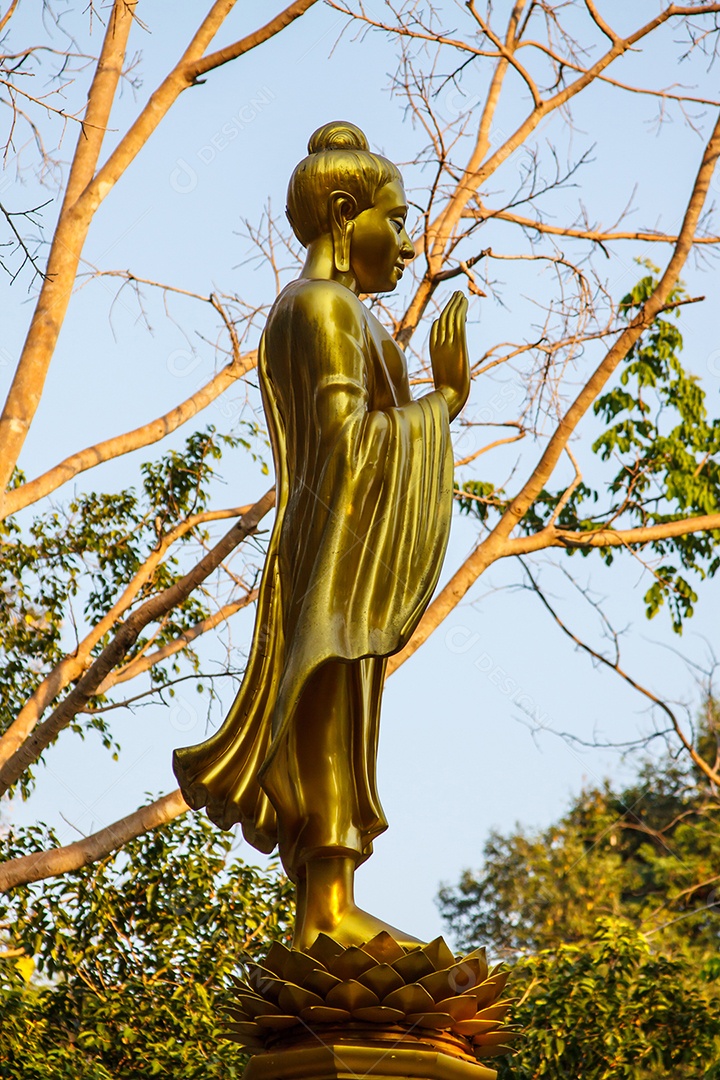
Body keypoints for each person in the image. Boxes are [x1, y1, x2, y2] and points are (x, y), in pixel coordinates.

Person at [173, 121, 470, 950]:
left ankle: (331, 907)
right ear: (345, 213)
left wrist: (431, 407)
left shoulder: (355, 317)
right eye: (398, 219)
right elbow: (343, 445)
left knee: (346, 709)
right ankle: (324, 911)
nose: (410, 245)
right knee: (326, 695)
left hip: (350, 548)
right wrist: (442, 404)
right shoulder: (319, 307)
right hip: (330, 550)